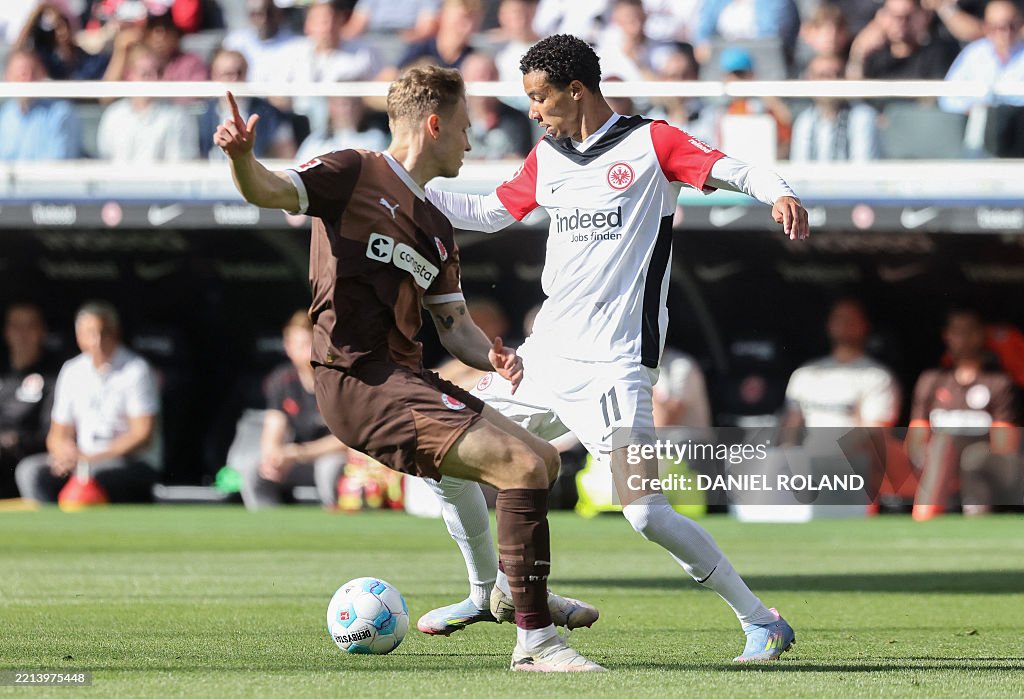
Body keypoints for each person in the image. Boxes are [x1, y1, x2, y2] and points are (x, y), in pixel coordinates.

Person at [419, 34, 808, 662]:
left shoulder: (651, 143)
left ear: (577, 90)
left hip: (614, 366)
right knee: (442, 450)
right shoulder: (547, 156)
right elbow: (489, 211)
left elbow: (731, 168)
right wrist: (409, 186)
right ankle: (483, 591)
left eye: (541, 97)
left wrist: (779, 191)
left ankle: (762, 621)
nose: (535, 111)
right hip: (541, 361)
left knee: (647, 514)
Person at [214, 65, 603, 672]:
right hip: (356, 381)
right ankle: (536, 642)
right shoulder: (352, 171)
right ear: (434, 123)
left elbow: (455, 327)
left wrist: (494, 355)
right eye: (465, 129)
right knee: (523, 465)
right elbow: (266, 190)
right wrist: (242, 158)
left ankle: (512, 591)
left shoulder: (436, 228)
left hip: (406, 381)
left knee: (544, 460)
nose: (471, 143)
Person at [15, 302, 161, 504]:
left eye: (103, 333)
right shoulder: (72, 370)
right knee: (30, 471)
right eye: (90, 333)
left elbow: (141, 435)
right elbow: (58, 433)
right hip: (81, 461)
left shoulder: (136, 369)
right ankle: (54, 530)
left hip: (128, 462)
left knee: (93, 476)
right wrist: (64, 453)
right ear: (79, 336)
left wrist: (91, 458)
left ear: (115, 333)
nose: (97, 341)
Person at [907, 308, 1020, 520]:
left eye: (970, 331)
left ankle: (937, 516)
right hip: (935, 460)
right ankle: (926, 514)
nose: (963, 338)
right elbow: (916, 436)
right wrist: (923, 456)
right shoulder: (932, 380)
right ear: (947, 336)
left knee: (972, 458)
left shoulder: (998, 382)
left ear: (981, 334)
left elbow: (1005, 445)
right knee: (941, 445)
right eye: (957, 331)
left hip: (985, 462)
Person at [239, 311, 348, 510]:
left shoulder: (340, 380)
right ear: (287, 347)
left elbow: (348, 440)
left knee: (328, 469)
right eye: (301, 345)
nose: (309, 351)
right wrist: (273, 457)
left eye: (313, 344)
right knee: (255, 472)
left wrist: (299, 453)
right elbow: (274, 427)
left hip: (335, 458)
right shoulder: (282, 380)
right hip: (297, 459)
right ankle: (269, 530)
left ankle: (336, 531)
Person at [96, 44, 200, 162]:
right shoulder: (113, 115)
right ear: (129, 75)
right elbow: (106, 159)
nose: (154, 79)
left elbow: (180, 165)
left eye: (159, 72)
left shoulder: (177, 116)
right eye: (145, 74)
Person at [0, 304, 58, 499]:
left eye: (30, 327)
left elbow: (50, 434)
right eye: (17, 327)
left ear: (42, 332)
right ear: (7, 332)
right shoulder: (4, 374)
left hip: (21, 456)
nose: (22, 334)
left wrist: (17, 440)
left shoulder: (53, 377)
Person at [199, 49, 297, 161]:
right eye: (228, 74)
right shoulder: (203, 113)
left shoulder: (269, 113)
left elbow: (286, 154)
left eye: (240, 72)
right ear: (214, 76)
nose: (235, 78)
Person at [790, 53, 881, 162]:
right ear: (809, 80)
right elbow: (799, 168)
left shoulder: (863, 116)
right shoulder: (804, 120)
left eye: (837, 74)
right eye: (823, 75)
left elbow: (864, 170)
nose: (831, 81)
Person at [939, 0, 1024, 114]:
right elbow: (947, 98)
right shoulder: (973, 54)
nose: (1006, 33)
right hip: (976, 124)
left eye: (1012, 26)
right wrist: (971, 108)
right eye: (999, 27)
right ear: (987, 27)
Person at [0, 49, 81, 161]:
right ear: (7, 77)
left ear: (42, 74)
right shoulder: (5, 115)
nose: (27, 79)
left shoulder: (60, 113)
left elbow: (59, 163)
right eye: (21, 74)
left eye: (32, 73)